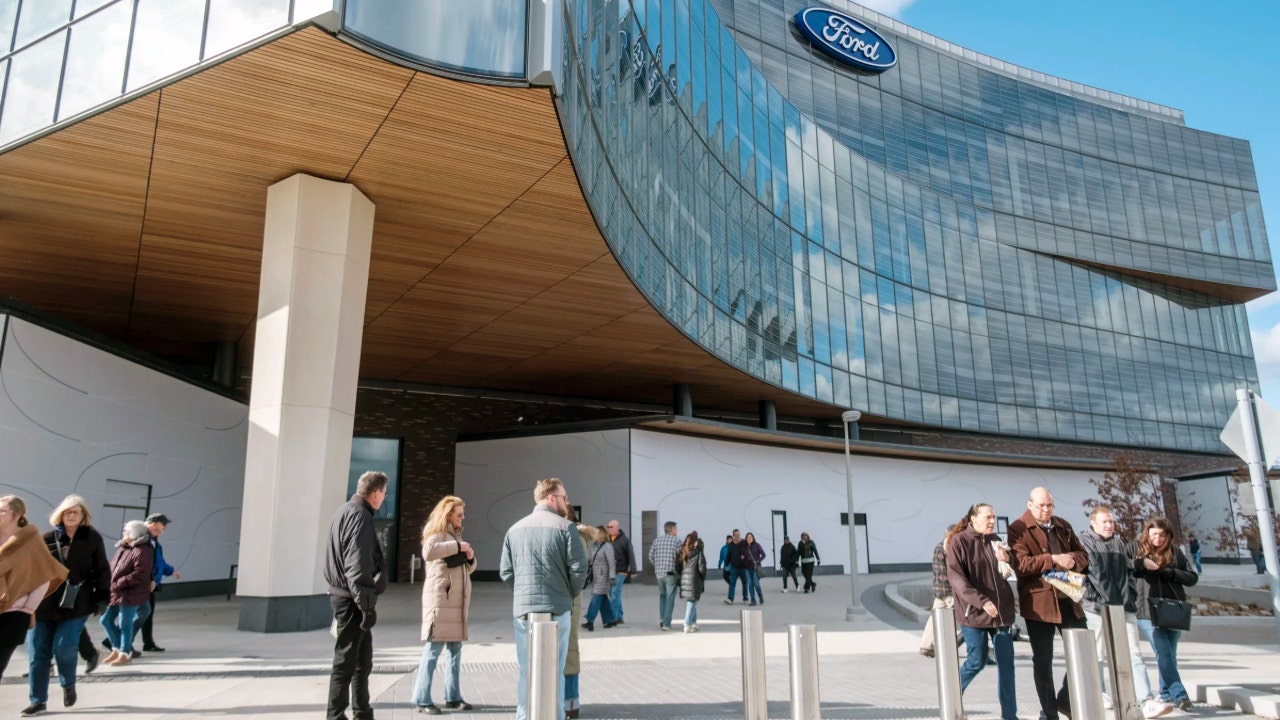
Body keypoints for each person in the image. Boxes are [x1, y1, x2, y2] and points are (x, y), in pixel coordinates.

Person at [499, 477, 587, 720]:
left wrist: (523, 595)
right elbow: (579, 569)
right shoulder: (566, 528)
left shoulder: (514, 529)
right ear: (550, 498)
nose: (566, 502)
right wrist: (567, 594)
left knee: (526, 671)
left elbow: (506, 572)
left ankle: (523, 717)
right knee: (555, 671)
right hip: (558, 609)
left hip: (524, 612)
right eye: (564, 497)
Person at [1080, 506, 1171, 719]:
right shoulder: (1083, 542)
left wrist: (1133, 585)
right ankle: (1100, 693)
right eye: (1104, 522)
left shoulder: (1119, 542)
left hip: (1123, 604)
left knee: (1134, 653)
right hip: (1096, 606)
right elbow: (1086, 571)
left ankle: (1145, 700)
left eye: (1111, 521)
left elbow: (1126, 567)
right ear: (1093, 523)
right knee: (1098, 653)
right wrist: (1090, 596)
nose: (1109, 525)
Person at [1008, 486, 1089, 720]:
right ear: (1030, 505)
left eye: (1049, 505)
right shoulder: (1018, 528)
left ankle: (1064, 699)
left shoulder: (1062, 525)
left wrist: (1071, 559)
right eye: (1041, 505)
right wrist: (1052, 559)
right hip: (1039, 603)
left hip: (1068, 599)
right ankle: (1050, 712)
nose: (1046, 509)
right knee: (1043, 661)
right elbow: (1021, 564)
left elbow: (1083, 555)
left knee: (1083, 654)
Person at [27, 494, 109, 717]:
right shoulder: (46, 538)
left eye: (76, 512)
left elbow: (102, 568)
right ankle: (38, 701)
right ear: (60, 514)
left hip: (77, 603)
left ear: (83, 516)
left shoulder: (92, 538)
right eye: (68, 512)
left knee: (64, 648)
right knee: (38, 653)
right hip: (43, 604)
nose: (72, 515)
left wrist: (102, 596)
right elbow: (32, 569)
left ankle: (68, 685)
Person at [324, 470, 389, 720]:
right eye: (384, 493)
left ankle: (362, 712)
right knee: (346, 661)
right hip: (352, 601)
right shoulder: (360, 516)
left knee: (362, 661)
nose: (384, 497)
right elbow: (357, 565)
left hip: (349, 597)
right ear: (375, 493)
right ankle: (336, 715)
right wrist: (367, 606)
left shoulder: (344, 511)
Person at [947, 503, 1018, 720]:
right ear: (973, 519)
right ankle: (950, 701)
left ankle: (1010, 716)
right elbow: (957, 579)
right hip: (974, 613)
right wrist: (980, 600)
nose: (992, 521)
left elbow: (1011, 568)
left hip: (1001, 614)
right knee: (976, 661)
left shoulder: (996, 540)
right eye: (987, 517)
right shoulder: (959, 542)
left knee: (1007, 666)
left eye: (994, 517)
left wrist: (1009, 558)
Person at [411, 495, 475, 715]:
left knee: (455, 650)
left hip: (456, 604)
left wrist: (469, 556)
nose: (462, 517)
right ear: (448, 515)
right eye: (459, 514)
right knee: (433, 649)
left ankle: (453, 697)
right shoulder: (436, 532)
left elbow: (465, 569)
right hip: (440, 602)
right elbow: (428, 552)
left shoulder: (454, 534)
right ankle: (422, 698)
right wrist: (458, 546)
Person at [1134, 517, 1199, 712]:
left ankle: (1165, 693)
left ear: (1168, 535)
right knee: (1163, 652)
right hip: (1147, 611)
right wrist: (1143, 565)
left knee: (1170, 654)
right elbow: (1130, 569)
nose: (1158, 538)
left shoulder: (1175, 552)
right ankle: (1180, 695)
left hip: (1172, 609)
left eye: (1162, 535)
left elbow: (1192, 577)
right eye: (1154, 534)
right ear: (1147, 534)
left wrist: (1169, 572)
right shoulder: (1138, 552)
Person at [0, 496, 67, 682]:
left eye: (2, 510)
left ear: (17, 514)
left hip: (14, 613)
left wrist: (27, 610)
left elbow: (43, 576)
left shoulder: (31, 542)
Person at [100, 521, 154, 667]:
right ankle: (117, 648)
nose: (124, 533)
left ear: (135, 533)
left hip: (130, 592)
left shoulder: (143, 550)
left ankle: (125, 653)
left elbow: (140, 573)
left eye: (127, 531)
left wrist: (118, 583)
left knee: (125, 623)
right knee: (105, 620)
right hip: (117, 591)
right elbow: (113, 567)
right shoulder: (124, 547)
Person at [136, 513, 180, 653]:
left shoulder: (154, 542)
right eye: (163, 524)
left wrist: (170, 571)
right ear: (153, 524)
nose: (165, 527)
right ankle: (115, 640)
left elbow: (159, 562)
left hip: (151, 584)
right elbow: (142, 563)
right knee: (139, 614)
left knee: (146, 614)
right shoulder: (143, 541)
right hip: (142, 583)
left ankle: (148, 643)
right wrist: (149, 579)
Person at [565, 514, 594, 720]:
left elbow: (578, 572)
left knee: (568, 650)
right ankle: (570, 702)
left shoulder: (574, 537)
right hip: (567, 599)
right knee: (568, 649)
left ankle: (569, 703)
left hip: (567, 600)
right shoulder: (577, 537)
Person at [919, 535, 954, 658]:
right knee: (966, 618)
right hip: (949, 591)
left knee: (934, 618)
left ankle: (926, 645)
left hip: (939, 590)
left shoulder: (939, 546)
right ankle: (981, 648)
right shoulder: (948, 547)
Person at [581, 526, 617, 631]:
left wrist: (612, 577)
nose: (593, 535)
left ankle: (590, 620)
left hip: (604, 578)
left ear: (601, 534)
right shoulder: (592, 546)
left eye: (595, 533)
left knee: (596, 597)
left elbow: (611, 563)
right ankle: (610, 620)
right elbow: (589, 560)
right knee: (603, 599)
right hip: (596, 577)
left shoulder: (607, 546)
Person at [649, 520, 682, 630]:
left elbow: (650, 556)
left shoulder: (656, 540)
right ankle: (666, 624)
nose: (677, 531)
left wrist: (657, 565)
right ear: (672, 529)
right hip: (670, 574)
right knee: (670, 598)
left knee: (662, 596)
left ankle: (662, 619)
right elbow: (681, 557)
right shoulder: (677, 541)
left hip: (659, 574)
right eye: (676, 528)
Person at [605, 519, 635, 626]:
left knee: (614, 594)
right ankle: (619, 617)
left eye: (611, 527)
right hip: (610, 571)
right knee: (614, 594)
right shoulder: (607, 540)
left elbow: (631, 555)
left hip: (621, 571)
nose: (609, 529)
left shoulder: (624, 540)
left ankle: (612, 618)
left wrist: (633, 570)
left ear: (617, 528)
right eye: (608, 527)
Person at [676, 531, 706, 632]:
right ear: (694, 543)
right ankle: (687, 624)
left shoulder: (683, 552)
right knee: (691, 602)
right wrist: (702, 578)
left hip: (684, 580)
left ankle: (693, 623)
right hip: (694, 580)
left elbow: (677, 567)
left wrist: (681, 576)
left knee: (693, 601)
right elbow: (702, 568)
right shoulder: (698, 553)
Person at [723, 529, 750, 604]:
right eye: (735, 535)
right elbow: (728, 555)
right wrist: (726, 565)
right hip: (734, 568)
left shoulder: (744, 542)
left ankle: (745, 598)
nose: (737, 536)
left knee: (745, 583)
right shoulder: (731, 545)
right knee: (732, 583)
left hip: (743, 567)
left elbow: (748, 551)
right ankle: (730, 599)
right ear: (733, 536)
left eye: (738, 535)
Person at [743, 532, 765, 606]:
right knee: (750, 584)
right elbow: (742, 556)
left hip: (755, 567)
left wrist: (758, 561)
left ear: (753, 538)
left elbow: (763, 555)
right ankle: (753, 600)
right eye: (747, 537)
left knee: (756, 583)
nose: (749, 538)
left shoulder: (757, 545)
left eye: (750, 537)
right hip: (747, 568)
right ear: (746, 539)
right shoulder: (745, 547)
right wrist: (743, 558)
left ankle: (760, 596)